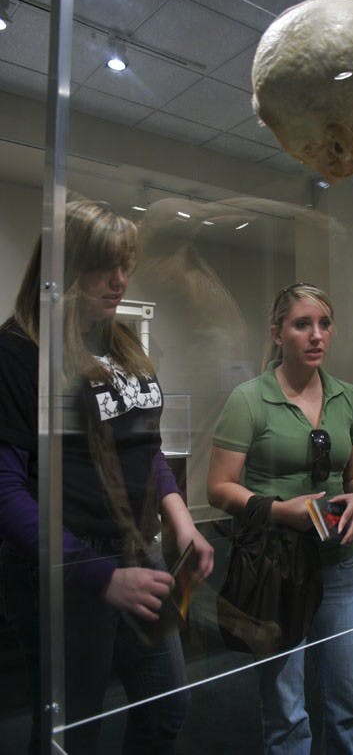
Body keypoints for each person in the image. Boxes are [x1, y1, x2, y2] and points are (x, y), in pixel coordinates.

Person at [0, 199, 214, 754]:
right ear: (63, 266)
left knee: (166, 707)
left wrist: (181, 518)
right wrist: (97, 575)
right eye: (102, 265)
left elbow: (146, 449)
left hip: (138, 548)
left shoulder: (123, 343)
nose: (119, 279)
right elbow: (6, 490)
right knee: (72, 730)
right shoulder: (20, 351)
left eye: (124, 264)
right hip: (67, 564)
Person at [207, 282, 353, 755]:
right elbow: (218, 488)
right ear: (278, 333)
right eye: (302, 324)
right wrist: (280, 510)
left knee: (349, 702)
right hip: (275, 565)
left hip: (338, 562)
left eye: (324, 324)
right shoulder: (248, 399)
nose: (316, 335)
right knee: (286, 714)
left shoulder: (349, 399)